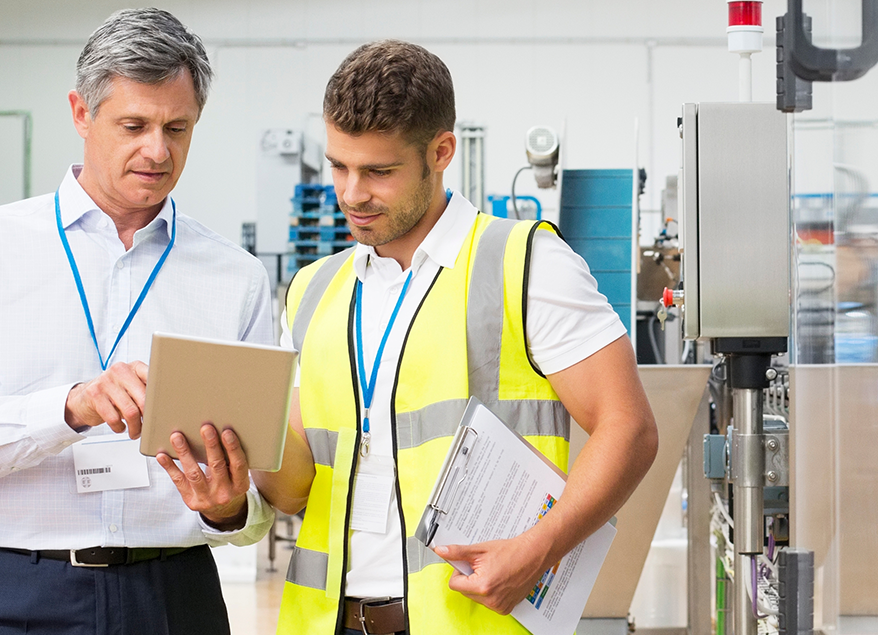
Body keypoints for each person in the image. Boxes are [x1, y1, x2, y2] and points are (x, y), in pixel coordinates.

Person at [254, 40, 658, 635]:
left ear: (440, 152)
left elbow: (629, 427)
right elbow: (292, 491)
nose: (351, 193)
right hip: (326, 623)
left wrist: (541, 547)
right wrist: (230, 463)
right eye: (340, 166)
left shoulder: (525, 265)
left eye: (378, 172)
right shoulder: (314, 290)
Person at [0, 8, 275, 634]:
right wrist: (71, 407)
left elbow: (262, 488)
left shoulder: (235, 277)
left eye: (177, 128)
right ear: (81, 113)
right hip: (17, 591)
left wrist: (229, 508)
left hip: (176, 594)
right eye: (133, 125)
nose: (157, 151)